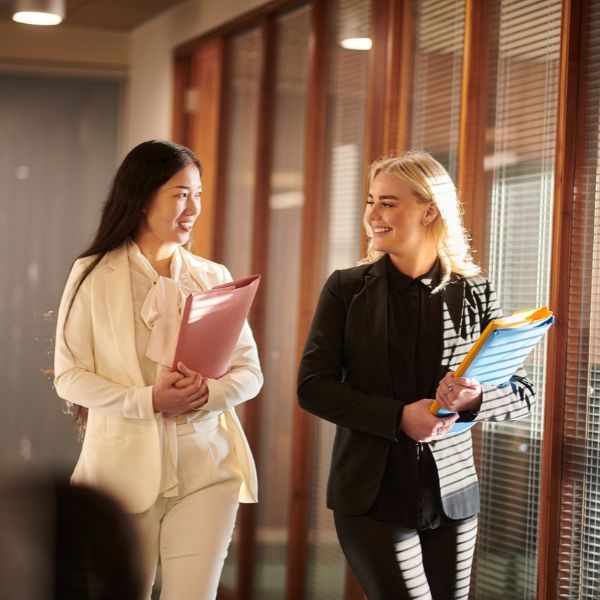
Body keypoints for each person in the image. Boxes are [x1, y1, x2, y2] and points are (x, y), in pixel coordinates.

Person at [297, 150, 535, 600]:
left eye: (388, 203)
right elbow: (313, 388)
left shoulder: (475, 290)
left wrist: (474, 399)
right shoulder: (347, 288)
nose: (373, 215)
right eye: (371, 201)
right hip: (371, 496)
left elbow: (521, 393)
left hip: (453, 497)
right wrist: (398, 417)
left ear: (429, 209)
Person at [54, 140, 263, 600]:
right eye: (181, 193)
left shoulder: (212, 275)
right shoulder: (91, 274)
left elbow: (250, 373)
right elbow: (70, 376)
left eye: (198, 194)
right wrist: (148, 399)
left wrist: (207, 393)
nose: (193, 207)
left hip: (206, 471)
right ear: (144, 194)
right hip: (119, 479)